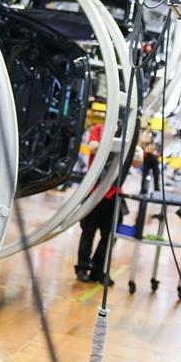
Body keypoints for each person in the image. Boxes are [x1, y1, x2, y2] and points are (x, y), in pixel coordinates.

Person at [75, 122, 119, 284]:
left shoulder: (126, 132)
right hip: (94, 192)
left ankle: (97, 269)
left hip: (113, 193)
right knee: (88, 231)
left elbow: (136, 162)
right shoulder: (99, 129)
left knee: (110, 235)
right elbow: (92, 147)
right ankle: (82, 268)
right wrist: (112, 143)